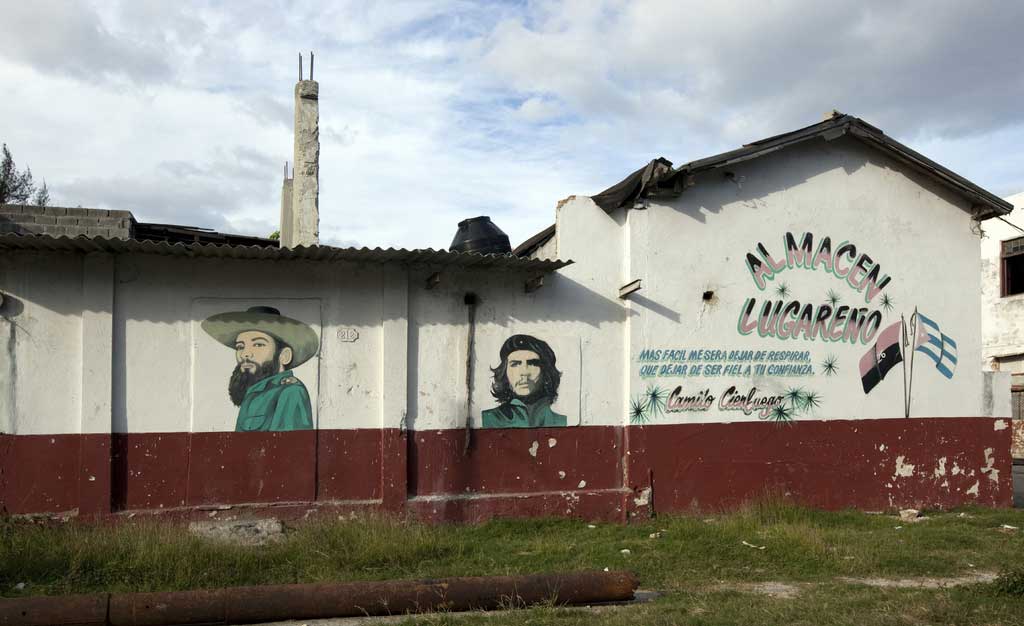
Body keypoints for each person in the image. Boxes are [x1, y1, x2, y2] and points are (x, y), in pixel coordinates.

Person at [201, 306, 319, 432]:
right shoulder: (254, 392)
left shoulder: (291, 392)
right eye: (240, 347)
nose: (245, 354)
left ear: (284, 356)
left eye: (258, 344)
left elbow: (287, 449)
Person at [482, 334, 567, 428]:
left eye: (533, 363)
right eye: (515, 364)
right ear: (504, 372)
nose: (524, 372)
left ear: (546, 372)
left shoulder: (562, 422)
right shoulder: (488, 419)